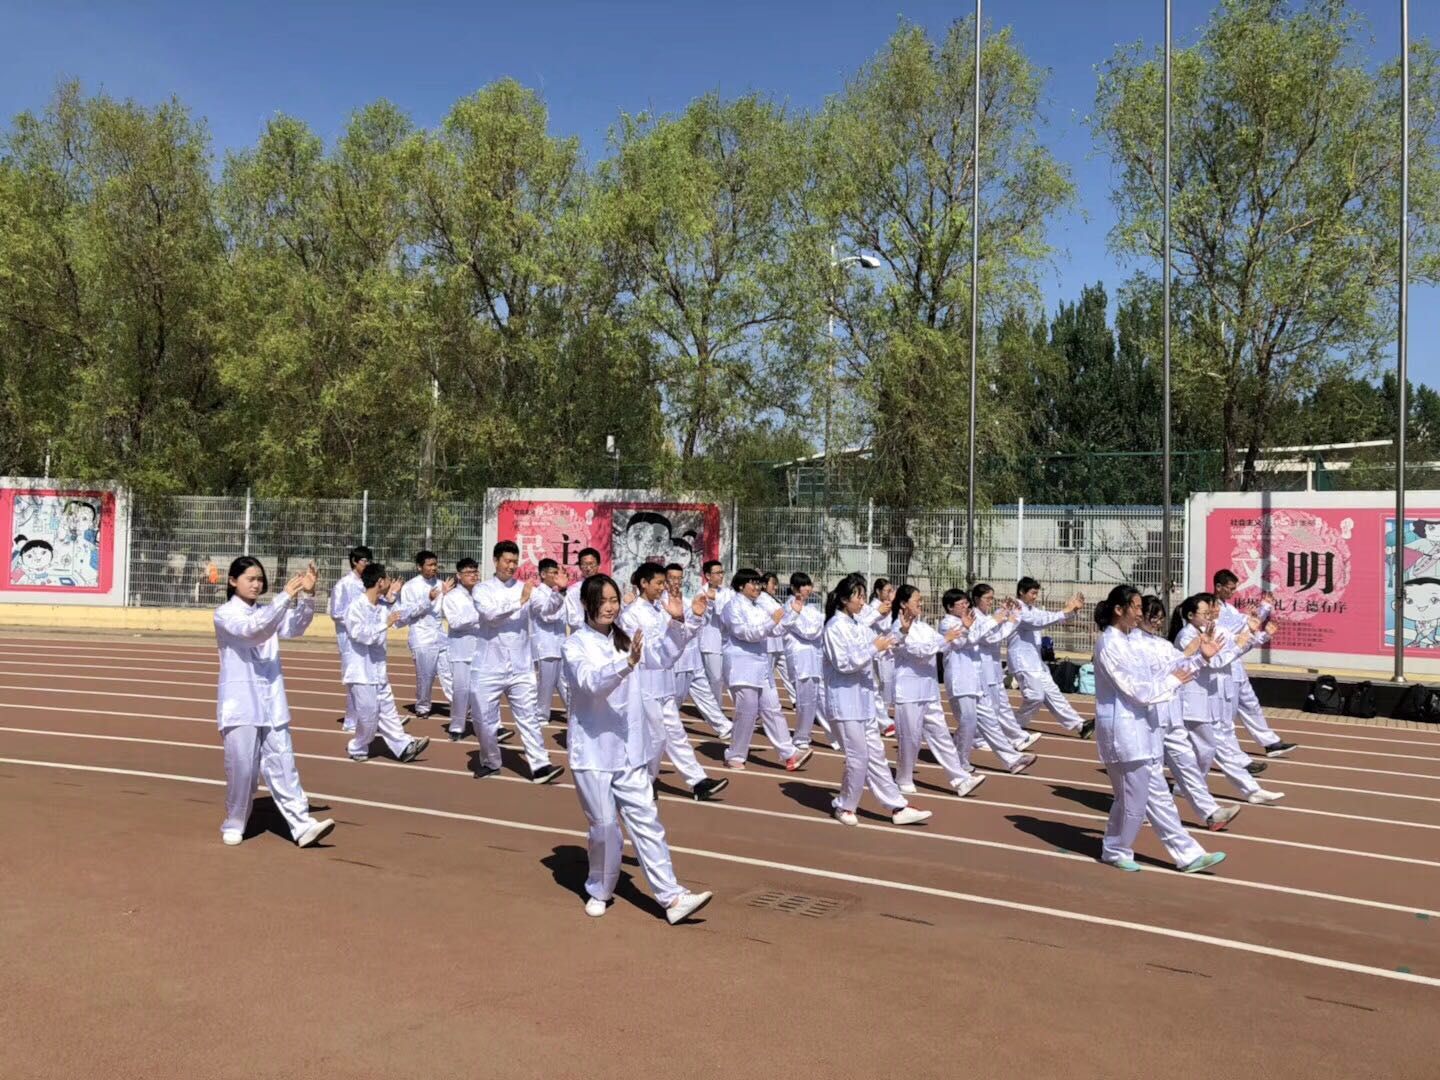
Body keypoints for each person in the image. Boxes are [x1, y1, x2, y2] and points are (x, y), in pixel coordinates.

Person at [563, 573, 714, 923]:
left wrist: (683, 621)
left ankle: (672, 897)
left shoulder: (626, 638)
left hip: (630, 749)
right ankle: (600, 889)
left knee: (647, 822)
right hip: (594, 752)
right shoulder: (575, 645)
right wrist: (626, 664)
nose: (609, 607)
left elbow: (662, 655)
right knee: (605, 828)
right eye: (602, 601)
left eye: (614, 600)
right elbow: (590, 683)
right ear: (586, 604)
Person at [1091, 585, 1225, 874]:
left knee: (1157, 798)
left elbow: (1169, 667)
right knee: (1132, 801)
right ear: (1119, 610)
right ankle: (1115, 849)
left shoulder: (1134, 642)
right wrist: (1173, 681)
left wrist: (1200, 658)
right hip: (1123, 732)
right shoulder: (1109, 645)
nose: (1141, 613)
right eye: (1137, 607)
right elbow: (1135, 690)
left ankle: (1187, 854)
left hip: (1146, 730)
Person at [213, 556, 334, 848]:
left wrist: (307, 596)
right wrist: (285, 597)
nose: (256, 584)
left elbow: (295, 627)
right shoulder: (225, 614)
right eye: (250, 579)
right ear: (233, 581)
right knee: (243, 769)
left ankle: (301, 825)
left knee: (283, 763)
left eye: (259, 579)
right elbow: (253, 631)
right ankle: (235, 821)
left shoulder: (268, 611)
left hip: (272, 700)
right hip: (241, 703)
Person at [823, 575, 932, 827]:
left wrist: (901, 631)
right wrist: (874, 648)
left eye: (863, 596)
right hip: (845, 703)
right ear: (844, 600)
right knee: (858, 757)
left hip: (864, 702)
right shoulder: (834, 627)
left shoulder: (857, 624)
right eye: (858, 596)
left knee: (876, 755)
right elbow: (844, 663)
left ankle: (897, 806)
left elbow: (881, 644)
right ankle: (845, 805)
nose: (863, 602)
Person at [618, 564, 729, 801]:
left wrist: (691, 618)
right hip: (644, 683)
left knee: (676, 733)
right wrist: (676, 626)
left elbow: (681, 640)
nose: (662, 588)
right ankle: (644, 781)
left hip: (665, 681)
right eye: (658, 583)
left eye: (663, 583)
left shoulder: (662, 608)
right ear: (644, 583)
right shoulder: (631, 615)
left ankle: (698, 782)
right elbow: (651, 654)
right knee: (656, 736)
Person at [1133, 595, 1241, 831]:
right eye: (1152, 617)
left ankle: (1211, 813)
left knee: (1187, 763)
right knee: (1147, 771)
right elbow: (1147, 680)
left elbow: (1180, 668)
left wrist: (1201, 657)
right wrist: (1190, 652)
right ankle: (1135, 812)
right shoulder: (1130, 645)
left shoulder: (1162, 644)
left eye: (1160, 618)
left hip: (1170, 715)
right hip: (1147, 717)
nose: (1157, 622)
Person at [1171, 593, 1285, 806]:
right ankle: (1251, 790)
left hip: (1210, 697)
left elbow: (1238, 645)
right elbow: (1215, 661)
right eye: (1205, 612)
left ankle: (1184, 786)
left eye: (1211, 610)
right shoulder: (1186, 636)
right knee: (1214, 747)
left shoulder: (1212, 630)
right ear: (1191, 615)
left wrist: (1253, 633)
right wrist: (1238, 644)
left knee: (1209, 749)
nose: (1210, 615)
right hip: (1192, 701)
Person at [473, 541, 566, 784]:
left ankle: (540, 766)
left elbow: (546, 610)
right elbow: (491, 616)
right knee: (484, 721)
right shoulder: (482, 589)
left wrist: (559, 592)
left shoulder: (526, 588)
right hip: (489, 667)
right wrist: (519, 601)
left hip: (521, 667)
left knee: (529, 717)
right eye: (507, 561)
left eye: (515, 562)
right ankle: (491, 762)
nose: (511, 566)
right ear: (496, 561)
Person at [891, 585, 986, 796]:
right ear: (904, 603)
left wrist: (964, 629)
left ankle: (961, 780)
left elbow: (943, 644)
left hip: (929, 690)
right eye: (917, 600)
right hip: (909, 692)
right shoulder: (898, 628)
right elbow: (919, 652)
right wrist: (946, 639)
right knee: (910, 738)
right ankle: (904, 778)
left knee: (942, 736)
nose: (921, 603)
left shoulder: (923, 627)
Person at [938, 589, 1036, 775]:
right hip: (960, 681)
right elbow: (965, 641)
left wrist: (1008, 617)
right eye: (961, 604)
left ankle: (1012, 759)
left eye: (967, 603)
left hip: (976, 679)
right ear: (950, 607)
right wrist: (992, 620)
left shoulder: (970, 621)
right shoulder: (947, 624)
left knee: (990, 721)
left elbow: (987, 635)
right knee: (968, 723)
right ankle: (960, 760)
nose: (966, 606)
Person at [721, 569, 810, 772]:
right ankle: (735, 755)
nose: (757, 587)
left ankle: (789, 753)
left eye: (758, 583)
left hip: (761, 665)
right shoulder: (732, 607)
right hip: (741, 666)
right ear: (741, 585)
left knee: (772, 708)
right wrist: (773, 621)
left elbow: (776, 630)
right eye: (753, 583)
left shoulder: (758, 606)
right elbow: (745, 633)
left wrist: (792, 614)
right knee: (747, 712)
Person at [343, 563, 433, 764]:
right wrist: (384, 624)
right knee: (369, 716)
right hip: (361, 672)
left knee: (388, 711)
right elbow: (360, 635)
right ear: (380, 582)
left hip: (378, 670)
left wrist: (428, 599)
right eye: (387, 578)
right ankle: (358, 746)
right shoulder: (356, 607)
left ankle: (404, 746)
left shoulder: (384, 606)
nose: (391, 581)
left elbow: (403, 615)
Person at [1213, 569, 1298, 759]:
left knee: (1251, 704)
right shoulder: (1215, 610)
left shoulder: (1229, 608)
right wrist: (1263, 610)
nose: (1232, 592)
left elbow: (1248, 627)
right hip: (1223, 666)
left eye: (1234, 588)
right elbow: (1244, 626)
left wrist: (1263, 619)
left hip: (1236, 664)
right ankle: (1229, 754)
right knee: (1226, 714)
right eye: (1229, 588)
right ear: (1218, 587)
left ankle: (1270, 743)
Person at [1010, 577, 1094, 739]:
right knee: (1035, 697)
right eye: (1033, 593)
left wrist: (1072, 611)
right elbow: (1037, 622)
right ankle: (1013, 725)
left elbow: (1051, 617)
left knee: (1054, 694)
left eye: (1036, 593)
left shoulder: (1032, 609)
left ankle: (1080, 726)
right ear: (1021, 592)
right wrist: (1065, 610)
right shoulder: (1016, 609)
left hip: (1036, 663)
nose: (1035, 597)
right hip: (1023, 662)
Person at [664, 563, 731, 739]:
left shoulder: (689, 601)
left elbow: (701, 623)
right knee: (675, 699)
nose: (676, 582)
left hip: (693, 657)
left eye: (679, 578)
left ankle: (724, 727)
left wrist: (703, 609)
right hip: (676, 661)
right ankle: (663, 729)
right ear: (665, 580)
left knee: (705, 694)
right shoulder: (661, 604)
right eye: (672, 578)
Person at [970, 584, 1036, 752]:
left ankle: (1017, 737)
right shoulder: (975, 617)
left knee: (1002, 705)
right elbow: (991, 638)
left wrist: (1009, 612)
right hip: (983, 666)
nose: (990, 602)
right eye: (987, 598)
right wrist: (1010, 622)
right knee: (990, 706)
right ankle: (977, 738)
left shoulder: (988, 616)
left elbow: (998, 627)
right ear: (977, 599)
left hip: (994, 665)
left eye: (992, 598)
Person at [781, 573, 831, 751]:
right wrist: (818, 628)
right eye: (803, 585)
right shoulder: (789, 607)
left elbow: (821, 625)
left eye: (809, 585)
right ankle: (801, 737)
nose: (808, 589)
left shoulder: (812, 607)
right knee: (805, 701)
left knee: (822, 698)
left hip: (815, 657)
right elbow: (807, 631)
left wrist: (818, 628)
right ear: (794, 588)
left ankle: (835, 736)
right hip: (799, 659)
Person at [400, 549, 453, 719]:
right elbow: (407, 613)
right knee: (426, 675)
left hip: (440, 634)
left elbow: (447, 608)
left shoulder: (441, 584)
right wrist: (427, 600)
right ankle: (423, 706)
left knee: (449, 672)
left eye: (435, 564)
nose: (433, 568)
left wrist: (448, 595)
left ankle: (459, 705)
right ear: (419, 567)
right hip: (421, 636)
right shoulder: (410, 587)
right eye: (429, 565)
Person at [329, 545, 372, 733]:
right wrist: (356, 620)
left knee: (368, 678)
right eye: (364, 561)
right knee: (354, 680)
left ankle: (369, 718)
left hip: (366, 637)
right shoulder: (344, 584)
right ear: (354, 561)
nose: (367, 564)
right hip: (348, 639)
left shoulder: (368, 583)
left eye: (369, 561)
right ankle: (351, 721)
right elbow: (336, 613)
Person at [532, 558, 570, 725]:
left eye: (557, 573)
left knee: (565, 682)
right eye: (553, 573)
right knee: (545, 684)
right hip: (545, 646)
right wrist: (560, 592)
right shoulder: (536, 594)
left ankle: (574, 711)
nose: (556, 576)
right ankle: (541, 715)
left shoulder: (559, 593)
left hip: (560, 645)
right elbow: (547, 615)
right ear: (543, 574)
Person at [697, 559, 733, 708]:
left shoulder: (726, 592)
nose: (721, 576)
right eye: (717, 573)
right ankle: (715, 709)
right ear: (708, 575)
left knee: (729, 677)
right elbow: (704, 616)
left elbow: (729, 611)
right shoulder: (701, 593)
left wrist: (716, 600)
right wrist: (712, 602)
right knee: (715, 679)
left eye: (721, 572)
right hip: (710, 642)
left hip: (726, 642)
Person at [758, 571, 795, 704]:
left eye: (776, 584)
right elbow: (778, 614)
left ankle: (796, 699)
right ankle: (765, 702)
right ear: (764, 585)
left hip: (779, 643)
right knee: (767, 675)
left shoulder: (774, 599)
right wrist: (787, 610)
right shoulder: (761, 599)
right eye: (773, 583)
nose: (776, 587)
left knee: (788, 671)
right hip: (768, 644)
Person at [869, 578, 898, 737]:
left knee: (887, 686)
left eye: (891, 590)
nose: (890, 594)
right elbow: (885, 626)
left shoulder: (887, 606)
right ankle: (883, 721)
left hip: (888, 651)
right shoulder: (875, 607)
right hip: (879, 653)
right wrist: (891, 607)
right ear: (878, 591)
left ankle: (883, 719)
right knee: (883, 686)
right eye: (887, 591)